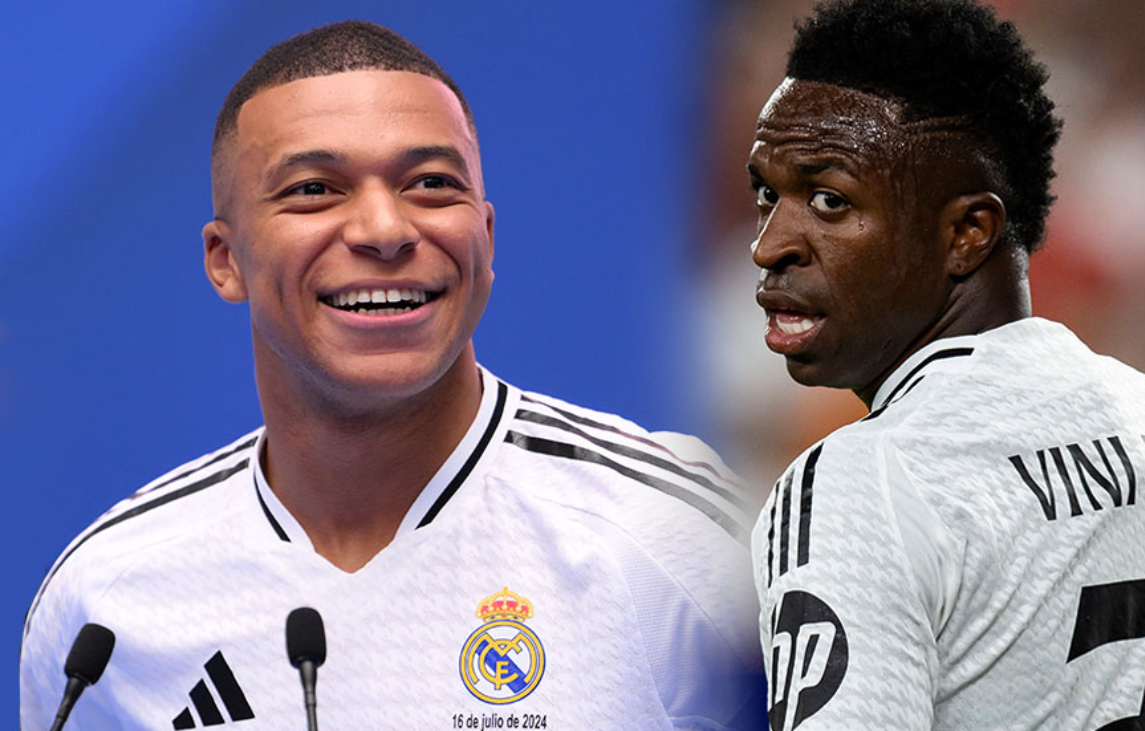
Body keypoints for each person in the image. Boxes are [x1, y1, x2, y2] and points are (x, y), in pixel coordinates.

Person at [20, 21, 763, 731]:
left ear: (487, 238)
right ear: (226, 259)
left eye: (431, 184)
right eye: (314, 189)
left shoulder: (680, 540)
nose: (384, 230)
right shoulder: (106, 610)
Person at [745, 1, 1145, 729]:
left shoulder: (860, 480)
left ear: (969, 232)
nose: (771, 242)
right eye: (766, 195)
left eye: (828, 200)